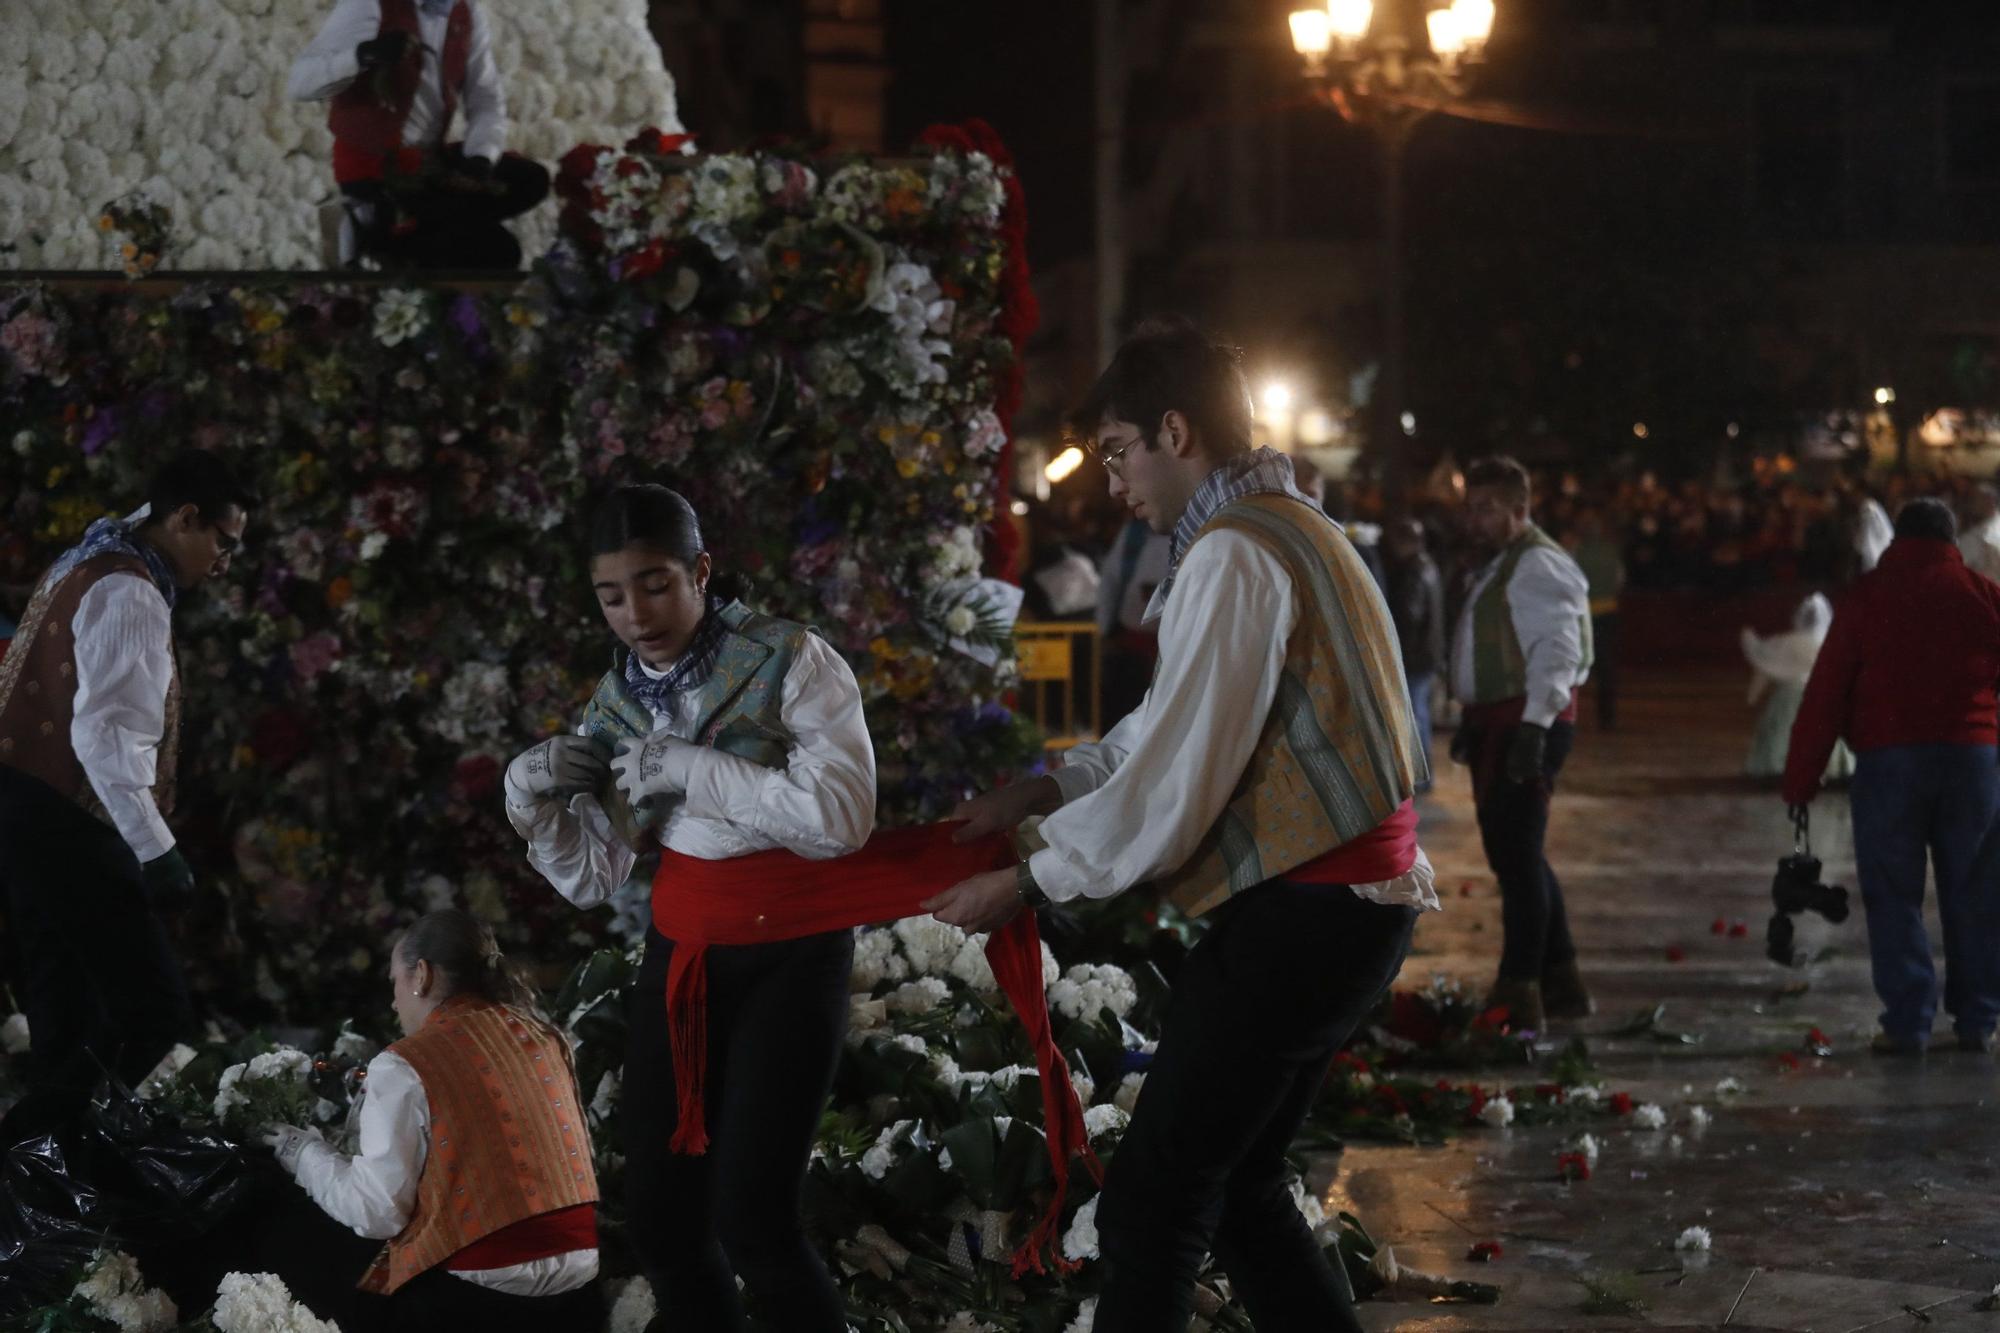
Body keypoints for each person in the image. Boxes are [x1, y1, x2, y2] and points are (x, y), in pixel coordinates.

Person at [926, 320, 1436, 1333]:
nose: (1113, 482)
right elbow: (1168, 728)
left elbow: (1175, 779)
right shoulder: (1287, 524)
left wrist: (1029, 879)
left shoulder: (1234, 553)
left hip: (1310, 913)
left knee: (1154, 1201)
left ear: (1174, 430)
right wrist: (1044, 790)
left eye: (1119, 451)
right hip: (1347, 909)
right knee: (1237, 1188)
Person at [505, 484, 878, 1331]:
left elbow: (843, 818)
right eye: (612, 596)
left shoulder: (792, 658)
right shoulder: (614, 703)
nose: (636, 614)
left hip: (793, 945)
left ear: (701, 570)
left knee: (754, 1220)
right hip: (686, 949)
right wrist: (527, 796)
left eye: (656, 584)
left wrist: (696, 768)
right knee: (662, 1221)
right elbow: (598, 873)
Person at [0, 452, 253, 1140]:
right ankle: (138, 1182)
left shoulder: (93, 552)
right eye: (223, 541)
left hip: (24, 811)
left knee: (67, 1016)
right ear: (184, 519)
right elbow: (105, 737)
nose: (225, 562)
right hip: (69, 822)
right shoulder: (131, 591)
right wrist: (158, 852)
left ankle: (37, 1190)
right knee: (150, 1013)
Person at [254, 910, 600, 1332]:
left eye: (394, 983)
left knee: (294, 1235)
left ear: (422, 975)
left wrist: (303, 1151)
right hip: (583, 1294)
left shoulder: (406, 1063)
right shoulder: (544, 1037)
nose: (394, 1001)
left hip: (485, 1303)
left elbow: (377, 1212)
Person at [1784, 497, 2000, 1055]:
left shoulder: (1865, 601)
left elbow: (1826, 694)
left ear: (1898, 541)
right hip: (1972, 761)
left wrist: (1801, 780)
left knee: (1894, 893)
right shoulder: (1984, 596)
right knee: (1974, 892)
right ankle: (1978, 1019)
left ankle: (1908, 1021)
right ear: (1951, 542)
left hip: (1888, 762)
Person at [1448, 455, 1593, 1030]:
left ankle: (1520, 989)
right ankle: (1563, 980)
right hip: (1503, 722)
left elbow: (1557, 653)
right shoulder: (1507, 561)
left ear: (1519, 510)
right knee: (1520, 855)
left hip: (1525, 724)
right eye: (1471, 508)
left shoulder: (1535, 565)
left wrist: (1533, 728)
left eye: (1487, 510)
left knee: (1516, 860)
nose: (1474, 520)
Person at [288, 0, 550, 269]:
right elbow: (299, 84)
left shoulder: (465, 10)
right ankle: (381, 231)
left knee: (530, 180)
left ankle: (401, 235)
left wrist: (479, 160)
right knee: (499, 251)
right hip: (378, 171)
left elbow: (485, 99)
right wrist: (362, 54)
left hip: (431, 166)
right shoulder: (369, 4)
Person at [1741, 593, 1852, 782]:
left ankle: (1782, 767)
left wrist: (1752, 698)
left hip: (1788, 697)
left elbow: (1764, 669)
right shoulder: (1827, 644)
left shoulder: (1784, 643)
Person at [1381, 516, 1444, 792]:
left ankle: (1420, 777)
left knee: (1415, 717)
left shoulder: (1413, 571)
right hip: (1427, 655)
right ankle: (1423, 776)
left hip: (1415, 656)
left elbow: (1410, 614)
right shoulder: (1428, 566)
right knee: (1420, 714)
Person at [1095, 516, 1169, 728]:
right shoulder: (1135, 534)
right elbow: (1110, 580)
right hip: (1131, 644)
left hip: (1171, 647)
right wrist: (1105, 628)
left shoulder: (1197, 529)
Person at [1568, 505, 1625, 730]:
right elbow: (1620, 580)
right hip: (1608, 613)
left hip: (1582, 616)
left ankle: (1567, 716)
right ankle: (1607, 718)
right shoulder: (1611, 552)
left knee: (1573, 668)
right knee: (1607, 669)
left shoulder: (1576, 551)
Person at [1959, 483, 2000, 584]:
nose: (1971, 504)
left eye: (1975, 499)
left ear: (1989, 501)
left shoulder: (1992, 531)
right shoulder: (1975, 528)